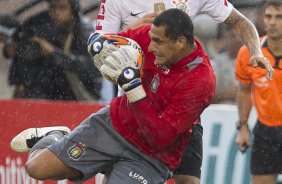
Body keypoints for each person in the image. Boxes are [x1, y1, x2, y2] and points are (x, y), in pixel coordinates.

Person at [10, 9, 215, 183]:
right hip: (114, 125)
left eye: (158, 42)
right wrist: (99, 46)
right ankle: (56, 137)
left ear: (180, 42)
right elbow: (115, 41)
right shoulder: (150, 36)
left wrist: (135, 91)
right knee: (35, 168)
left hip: (149, 155)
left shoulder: (200, 81)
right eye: (152, 40)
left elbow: (161, 138)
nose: (151, 47)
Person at [95, 0, 274, 183]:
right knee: (114, 178)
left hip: (179, 105)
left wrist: (256, 51)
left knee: (188, 180)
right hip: (133, 108)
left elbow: (239, 21)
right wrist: (135, 28)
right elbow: (98, 47)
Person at [8, 0, 102, 101]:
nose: (56, 12)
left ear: (73, 10)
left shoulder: (84, 30)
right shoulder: (42, 25)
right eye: (53, 7)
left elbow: (93, 67)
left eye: (62, 8)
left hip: (78, 94)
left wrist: (53, 53)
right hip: (49, 92)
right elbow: (21, 44)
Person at [235, 1, 282, 184]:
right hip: (265, 131)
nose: (272, 22)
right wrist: (243, 127)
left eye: (279, 17)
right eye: (268, 16)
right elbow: (244, 90)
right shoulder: (248, 53)